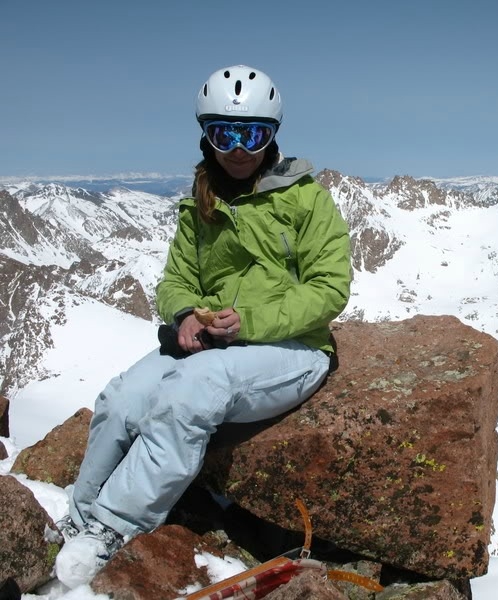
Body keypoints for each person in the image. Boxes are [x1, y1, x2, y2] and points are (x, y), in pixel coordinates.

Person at [54, 65, 352, 588]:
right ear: (206, 135)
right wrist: (186, 314)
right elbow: (175, 280)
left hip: (294, 348)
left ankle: (112, 528)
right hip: (215, 341)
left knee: (190, 391)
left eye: (252, 134)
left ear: (272, 136)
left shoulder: (305, 198)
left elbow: (329, 287)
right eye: (224, 133)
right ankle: (79, 519)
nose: (238, 148)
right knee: (121, 400)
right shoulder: (200, 203)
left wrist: (252, 322)